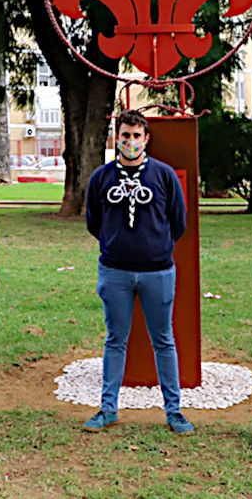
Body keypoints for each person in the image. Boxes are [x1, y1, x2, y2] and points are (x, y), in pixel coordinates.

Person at [83, 110, 194, 435]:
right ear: (116, 138)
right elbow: (94, 222)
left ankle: (174, 412)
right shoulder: (101, 178)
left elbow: (178, 221)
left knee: (164, 340)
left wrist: (154, 247)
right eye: (125, 135)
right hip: (114, 272)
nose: (130, 142)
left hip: (157, 273)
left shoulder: (163, 176)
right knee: (115, 339)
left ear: (146, 139)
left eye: (136, 136)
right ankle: (108, 409)